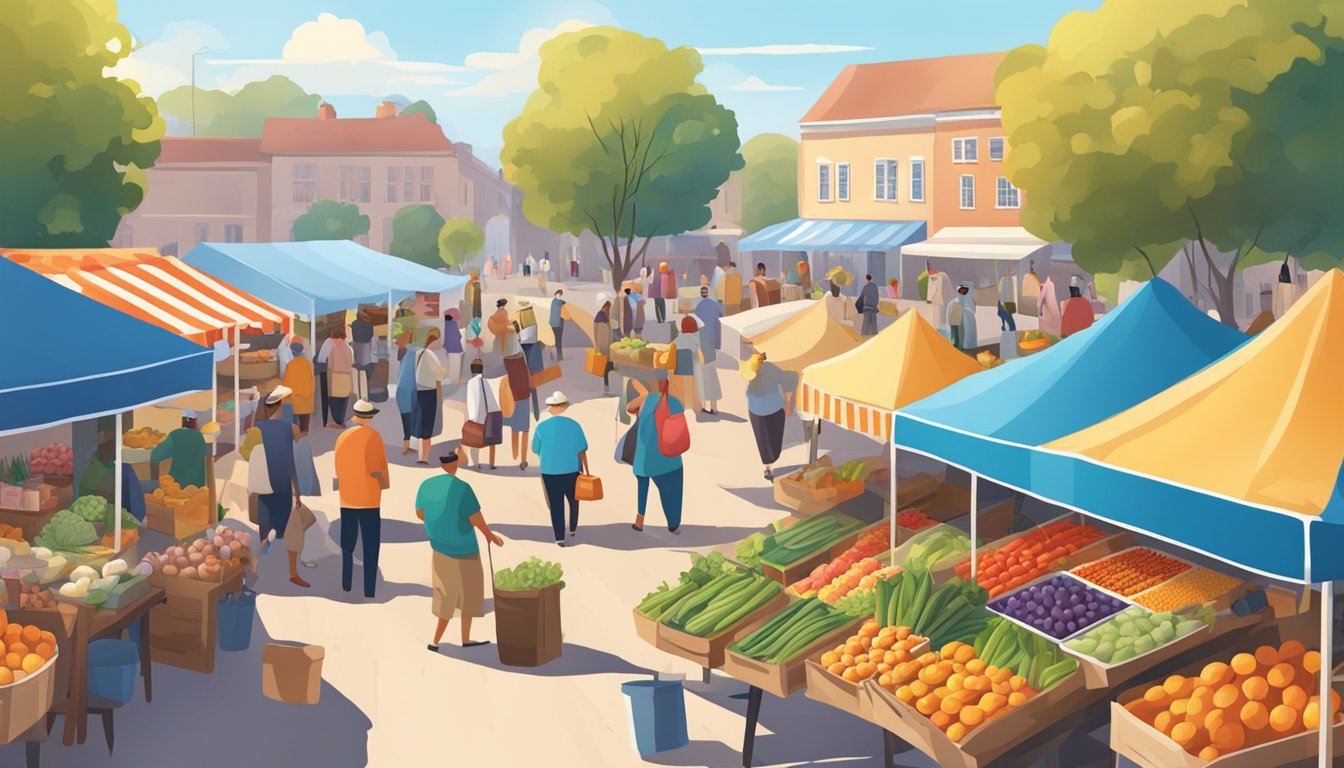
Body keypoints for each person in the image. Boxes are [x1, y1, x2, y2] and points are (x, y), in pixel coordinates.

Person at [418, 452, 503, 652]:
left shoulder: (426, 486)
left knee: (445, 596)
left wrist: (439, 526)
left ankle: (435, 641)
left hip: (439, 548)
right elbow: (476, 518)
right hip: (465, 550)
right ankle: (465, 639)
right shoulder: (463, 488)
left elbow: (420, 512)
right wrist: (490, 535)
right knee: (470, 596)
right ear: (456, 464)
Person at [242, 387, 303, 584]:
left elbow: (245, 453)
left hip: (263, 486)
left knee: (264, 532)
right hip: (282, 484)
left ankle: (257, 569)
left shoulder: (256, 429)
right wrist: (297, 491)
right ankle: (285, 572)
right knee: (283, 530)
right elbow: (290, 460)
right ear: (279, 406)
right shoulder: (288, 428)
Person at [334, 399, 389, 599]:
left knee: (347, 544)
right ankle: (369, 589)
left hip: (347, 497)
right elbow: (377, 468)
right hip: (368, 498)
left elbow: (338, 468)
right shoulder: (373, 436)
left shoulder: (342, 437)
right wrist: (384, 483)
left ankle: (346, 583)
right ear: (368, 417)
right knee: (370, 546)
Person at [531, 391, 589, 546]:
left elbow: (535, 448)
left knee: (556, 504)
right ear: (564, 407)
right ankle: (573, 528)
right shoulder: (574, 425)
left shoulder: (541, 427)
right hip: (571, 469)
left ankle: (559, 537)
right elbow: (583, 447)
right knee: (573, 499)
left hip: (549, 471)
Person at [627, 379, 684, 534]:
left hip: (644, 459)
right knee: (672, 491)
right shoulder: (675, 402)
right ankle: (673, 522)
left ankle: (639, 520)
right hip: (668, 458)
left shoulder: (645, 399)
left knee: (643, 485)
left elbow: (629, 408)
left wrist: (644, 395)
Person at [744, 351, 798, 481]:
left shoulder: (751, 366)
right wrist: (789, 405)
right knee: (774, 436)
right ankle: (772, 461)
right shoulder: (776, 367)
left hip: (754, 406)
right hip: (772, 407)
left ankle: (768, 466)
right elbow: (790, 386)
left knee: (762, 437)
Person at [413, 329, 448, 464]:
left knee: (419, 422)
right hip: (428, 389)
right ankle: (424, 457)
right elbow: (439, 372)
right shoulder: (430, 354)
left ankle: (420, 454)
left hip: (418, 389)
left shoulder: (418, 353)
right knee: (427, 424)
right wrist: (443, 373)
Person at [149, 410, 207, 487]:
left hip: (177, 483)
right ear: (195, 421)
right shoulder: (199, 436)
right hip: (197, 483)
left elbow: (156, 455)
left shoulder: (176, 434)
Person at [464, 359, 500, 469]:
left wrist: (472, 418)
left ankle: (475, 463)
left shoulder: (471, 382)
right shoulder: (486, 381)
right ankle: (492, 463)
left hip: (479, 416)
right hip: (492, 414)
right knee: (492, 440)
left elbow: (472, 401)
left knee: (474, 437)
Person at [318, 326, 354, 428]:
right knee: (343, 401)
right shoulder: (349, 349)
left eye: (334, 339)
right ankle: (340, 421)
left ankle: (338, 422)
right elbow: (350, 363)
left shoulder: (334, 349)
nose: (332, 341)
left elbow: (330, 365)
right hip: (346, 378)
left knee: (335, 401)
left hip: (336, 378)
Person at [394, 331, 422, 456]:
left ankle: (406, 445)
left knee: (406, 419)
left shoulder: (404, 352)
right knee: (413, 418)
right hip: (411, 389)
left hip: (402, 389)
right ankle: (408, 446)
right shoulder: (416, 351)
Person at [687, 316, 722, 413]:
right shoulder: (705, 334)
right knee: (712, 384)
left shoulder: (690, 338)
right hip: (710, 361)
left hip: (700, 363)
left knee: (702, 385)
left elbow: (693, 353)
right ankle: (714, 408)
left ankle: (702, 407)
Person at [281, 341, 315, 434]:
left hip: (294, 398)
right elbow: (312, 380)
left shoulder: (290, 365)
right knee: (304, 419)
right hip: (306, 397)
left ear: (292, 352)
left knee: (294, 419)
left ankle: (296, 434)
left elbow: (286, 383)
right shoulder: (307, 364)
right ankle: (304, 432)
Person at [675, 316, 702, 412]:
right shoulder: (696, 341)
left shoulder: (676, 341)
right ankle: (697, 408)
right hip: (692, 372)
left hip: (678, 372)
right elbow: (699, 356)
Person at [593, 297, 616, 395]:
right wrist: (605, 352)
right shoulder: (602, 319)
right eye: (608, 308)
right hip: (605, 351)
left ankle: (607, 386)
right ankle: (606, 387)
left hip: (605, 350)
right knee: (607, 369)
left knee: (607, 369)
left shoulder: (602, 317)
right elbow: (603, 338)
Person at [350, 313, 375, 402]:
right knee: (368, 375)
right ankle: (366, 395)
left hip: (356, 348)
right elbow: (371, 336)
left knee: (356, 375)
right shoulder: (370, 325)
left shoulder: (354, 324)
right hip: (366, 351)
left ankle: (358, 396)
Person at [693, 285, 723, 353]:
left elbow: (696, 319)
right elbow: (721, 313)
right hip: (715, 332)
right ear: (707, 293)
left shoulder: (698, 306)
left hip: (705, 334)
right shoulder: (714, 303)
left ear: (701, 294)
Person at [442, 309, 465, 383]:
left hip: (444, 350)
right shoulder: (453, 324)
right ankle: (454, 383)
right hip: (455, 350)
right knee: (454, 370)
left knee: (445, 369)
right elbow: (459, 336)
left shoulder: (442, 325)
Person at [956, 282, 979, 349]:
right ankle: (969, 349)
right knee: (969, 333)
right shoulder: (971, 289)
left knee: (966, 333)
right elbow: (974, 302)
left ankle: (966, 349)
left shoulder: (962, 289)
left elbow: (960, 300)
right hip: (969, 313)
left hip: (964, 312)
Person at [549, 290, 567, 361]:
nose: (559, 295)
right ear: (556, 294)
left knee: (558, 340)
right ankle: (559, 357)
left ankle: (559, 356)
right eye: (559, 294)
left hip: (554, 323)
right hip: (558, 323)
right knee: (558, 340)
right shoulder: (559, 302)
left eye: (560, 294)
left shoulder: (553, 301)